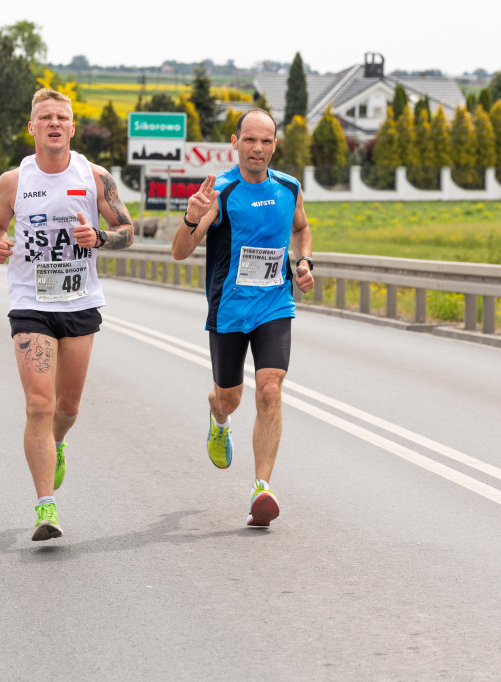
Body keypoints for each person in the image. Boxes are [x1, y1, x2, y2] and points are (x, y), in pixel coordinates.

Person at [0, 88, 135, 541]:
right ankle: (45, 506)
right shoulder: (13, 181)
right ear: (32, 128)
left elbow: (127, 230)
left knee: (66, 408)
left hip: (79, 301)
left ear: (72, 128)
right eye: (45, 117)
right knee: (39, 405)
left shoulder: (94, 177)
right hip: (31, 303)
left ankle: (59, 442)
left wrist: (102, 239)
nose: (53, 123)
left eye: (61, 118)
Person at [171, 107, 314, 528]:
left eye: (265, 141)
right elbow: (180, 251)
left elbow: (301, 229)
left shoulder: (289, 187)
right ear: (235, 142)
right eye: (249, 140)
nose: (257, 148)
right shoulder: (222, 192)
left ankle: (262, 488)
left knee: (269, 389)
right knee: (229, 397)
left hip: (274, 305)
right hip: (229, 310)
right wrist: (193, 216)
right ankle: (218, 417)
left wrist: (303, 262)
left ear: (275, 145)